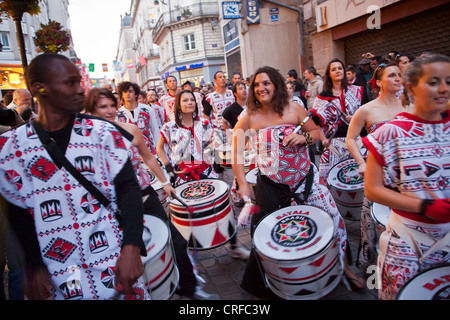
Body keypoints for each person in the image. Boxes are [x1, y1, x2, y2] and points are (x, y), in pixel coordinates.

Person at [0, 53, 150, 300]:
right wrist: (34, 266)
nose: (81, 90)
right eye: (70, 83)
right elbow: (17, 211)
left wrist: (132, 246)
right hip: (57, 275)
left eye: (79, 81)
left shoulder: (102, 132)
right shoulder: (13, 148)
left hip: (114, 263)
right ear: (40, 89)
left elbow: (129, 190)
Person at [233, 66, 364, 299]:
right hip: (271, 185)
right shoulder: (249, 116)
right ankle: (266, 286)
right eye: (256, 85)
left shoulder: (294, 107)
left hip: (306, 179)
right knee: (264, 233)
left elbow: (315, 133)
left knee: (333, 221)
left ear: (276, 85)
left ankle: (344, 270)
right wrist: (243, 184)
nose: (261, 88)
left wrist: (302, 136)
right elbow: (236, 154)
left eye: (266, 83)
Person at [84, 88, 213, 300]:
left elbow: (149, 158)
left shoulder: (130, 130)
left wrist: (164, 182)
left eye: (112, 105)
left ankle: (189, 288)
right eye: (102, 106)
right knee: (131, 254)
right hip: (113, 207)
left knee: (176, 241)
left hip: (144, 194)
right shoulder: (86, 140)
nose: (109, 111)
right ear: (91, 110)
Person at [362, 53, 450, 300]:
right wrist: (424, 205)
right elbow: (372, 190)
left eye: (449, 81)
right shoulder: (390, 133)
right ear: (411, 87)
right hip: (407, 240)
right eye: (433, 82)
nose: (443, 89)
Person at [157, 90, 249, 260]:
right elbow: (160, 148)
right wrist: (169, 168)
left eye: (192, 100)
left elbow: (210, 144)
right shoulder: (169, 127)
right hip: (182, 177)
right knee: (185, 216)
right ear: (178, 104)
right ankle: (189, 256)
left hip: (207, 173)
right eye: (185, 100)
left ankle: (234, 246)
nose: (189, 103)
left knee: (224, 207)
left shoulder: (204, 123)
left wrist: (208, 156)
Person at [346, 62, 405, 274]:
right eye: (392, 75)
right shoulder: (366, 109)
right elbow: (351, 139)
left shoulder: (410, 107)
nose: (398, 78)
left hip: (405, 176)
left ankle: (399, 264)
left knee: (400, 221)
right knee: (370, 222)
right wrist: (361, 163)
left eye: (399, 74)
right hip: (377, 175)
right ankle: (371, 266)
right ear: (378, 82)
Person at [311, 58, 367, 183]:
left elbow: (366, 113)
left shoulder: (356, 91)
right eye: (333, 69)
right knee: (332, 180)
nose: (337, 71)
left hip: (356, 142)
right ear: (329, 74)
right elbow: (315, 123)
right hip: (334, 145)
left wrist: (355, 117)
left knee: (361, 179)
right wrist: (323, 139)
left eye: (340, 68)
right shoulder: (322, 97)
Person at [202, 71, 235, 173]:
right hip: (218, 130)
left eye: (224, 77)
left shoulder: (232, 93)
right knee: (218, 155)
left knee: (234, 152)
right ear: (215, 81)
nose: (222, 79)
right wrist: (209, 131)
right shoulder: (209, 97)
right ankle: (219, 176)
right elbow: (206, 115)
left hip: (231, 129)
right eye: (220, 77)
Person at [117, 81, 160, 154]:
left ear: (136, 94)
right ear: (122, 95)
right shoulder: (118, 113)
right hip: (129, 154)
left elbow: (155, 131)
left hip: (149, 151)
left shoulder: (148, 110)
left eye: (130, 91)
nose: (127, 94)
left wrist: (159, 151)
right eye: (125, 92)